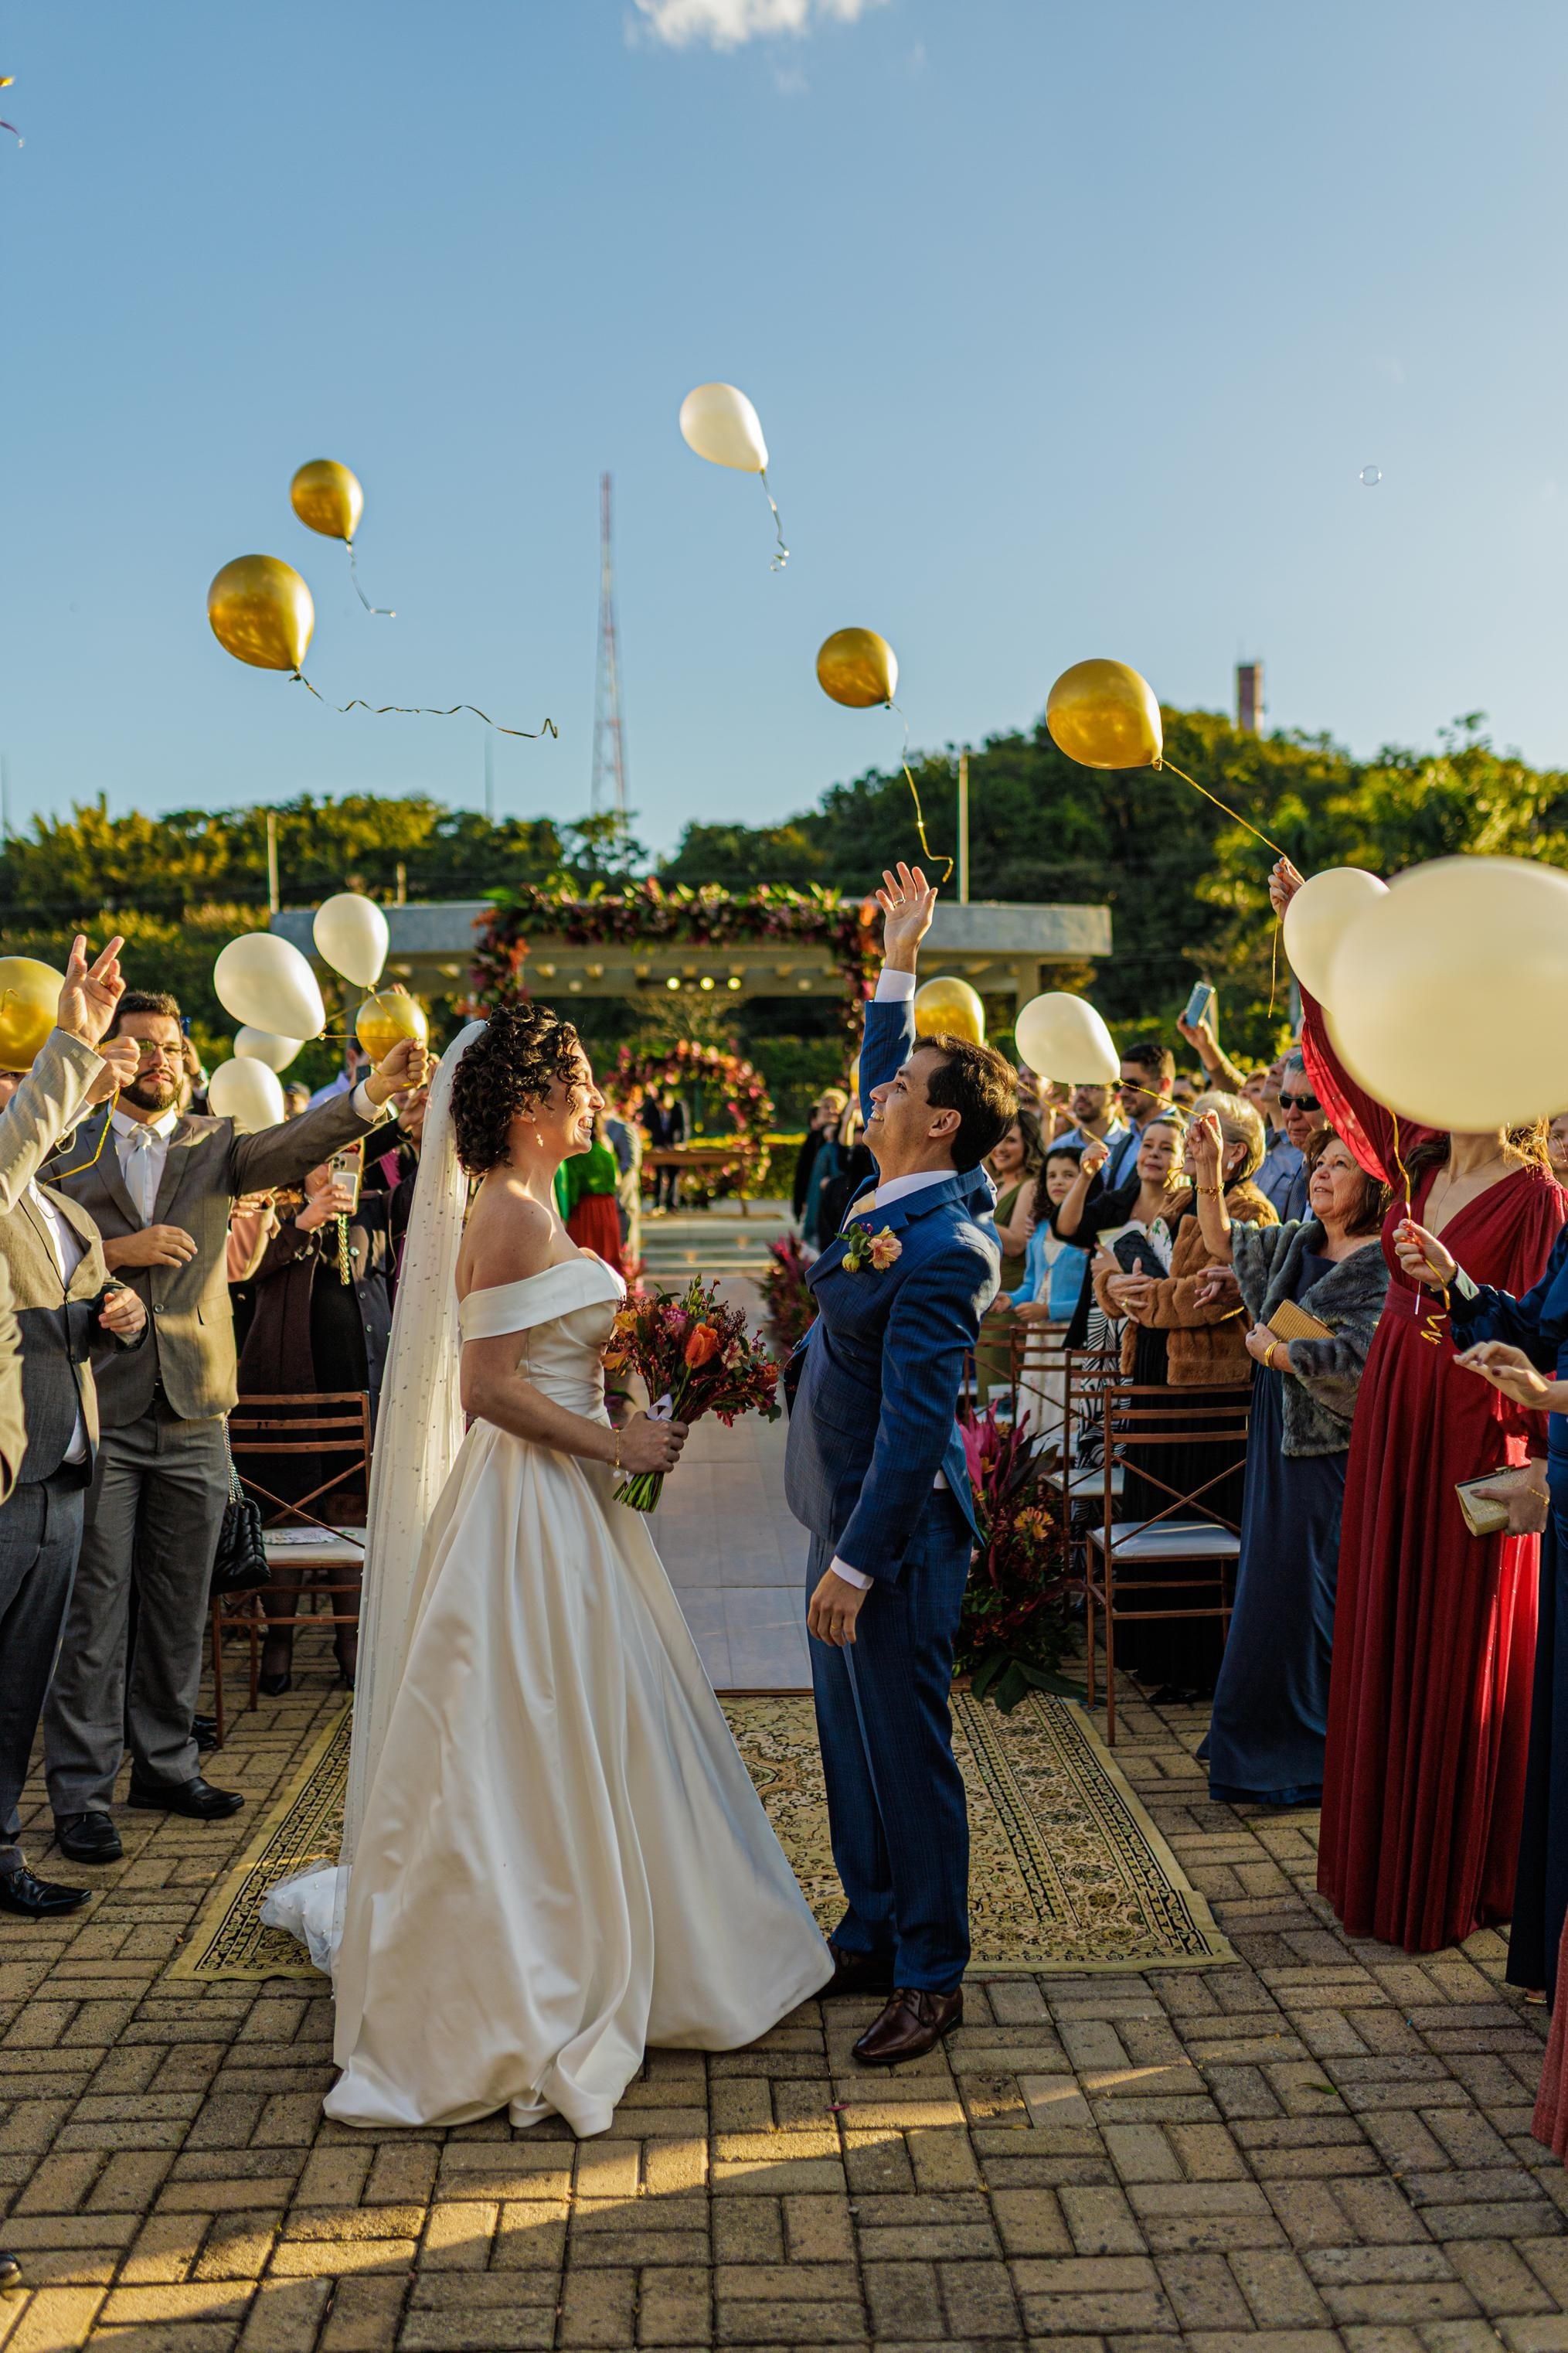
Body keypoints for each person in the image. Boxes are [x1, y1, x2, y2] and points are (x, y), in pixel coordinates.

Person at [261, 1000, 832, 2131]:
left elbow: (546, 1357)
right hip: (529, 1502)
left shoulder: (531, 1202)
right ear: (528, 1103)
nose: (595, 1095)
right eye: (577, 1076)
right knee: (527, 1716)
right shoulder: (512, 1215)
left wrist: (636, 1379)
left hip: (570, 1497)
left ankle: (612, 1924)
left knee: (590, 1712)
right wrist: (618, 1444)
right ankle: (526, 1959)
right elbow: (486, 1390)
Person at [42, 993, 425, 1868]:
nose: (158, 1059)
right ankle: (81, 1794)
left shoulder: (216, 1144)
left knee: (184, 1599)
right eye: (139, 1045)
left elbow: (297, 1142)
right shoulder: (68, 1147)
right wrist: (115, 1254)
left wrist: (370, 1093)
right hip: (100, 1409)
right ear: (108, 1057)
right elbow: (27, 1241)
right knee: (95, 1612)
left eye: (171, 1047)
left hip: (198, 1411)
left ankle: (167, 1765)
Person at [1273, 856, 1566, 1953]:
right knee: (1383, 1619)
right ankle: (1376, 1852)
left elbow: (1533, 1333)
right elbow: (1349, 1078)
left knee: (1454, 1634)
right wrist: (1315, 958)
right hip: (1395, 1409)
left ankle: (1454, 1866)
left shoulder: (1537, 1197)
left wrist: (1463, 1301)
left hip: (1474, 1424)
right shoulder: (1412, 1165)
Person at [786, 863, 1015, 2067]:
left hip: (894, 1537)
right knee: (848, 1743)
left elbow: (917, 1427)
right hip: (838, 1515)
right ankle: (870, 1927)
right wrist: (898, 960)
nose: (877, 1091)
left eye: (901, 1090)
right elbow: (895, 1068)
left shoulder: (946, 1245)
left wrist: (857, 1565)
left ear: (938, 1127)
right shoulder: (900, 1180)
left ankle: (932, 1974)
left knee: (907, 1756)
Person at [1196, 1126, 1390, 1806]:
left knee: (1306, 1596)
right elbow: (1223, 1240)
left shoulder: (1383, 1262)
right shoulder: (1299, 1241)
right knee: (1265, 1589)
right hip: (1273, 1437)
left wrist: (1281, 1354)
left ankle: (1307, 1755)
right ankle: (1251, 1739)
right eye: (1319, 1162)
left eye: (1341, 1165)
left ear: (1374, 1185)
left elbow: (1366, 1365)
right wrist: (1207, 1171)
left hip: (1326, 1450)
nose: (1322, 1174)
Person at [1088, 1093, 1276, 1701]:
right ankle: (1152, 1653)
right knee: (1149, 1505)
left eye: (1200, 1135)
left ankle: (1196, 1666)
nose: (1188, 1145)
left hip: (1204, 1391)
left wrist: (1141, 1298)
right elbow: (1111, 1265)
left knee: (1193, 1513)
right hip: (1150, 1373)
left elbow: (1215, 1297)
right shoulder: (1174, 1199)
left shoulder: (1251, 1209)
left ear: (1235, 1152)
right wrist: (1114, 1285)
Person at [236, 1154, 398, 1694]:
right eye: (322, 1161)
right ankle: (279, 1642)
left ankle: (349, 1641)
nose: (332, 1172)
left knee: (349, 1509)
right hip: (287, 1387)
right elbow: (247, 1270)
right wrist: (305, 1221)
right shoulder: (272, 1208)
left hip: (357, 1385)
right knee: (287, 1510)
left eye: (344, 1159)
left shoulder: (373, 1209)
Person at [1008, 1142, 1090, 1450]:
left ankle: (1069, 1470)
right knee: (1037, 1407)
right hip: (1040, 1338)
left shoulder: (1091, 1230)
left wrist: (1048, 1310)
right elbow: (1032, 1282)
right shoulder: (1041, 1228)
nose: (1058, 1182)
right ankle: (1038, 1476)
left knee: (1067, 1406)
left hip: (1072, 1335)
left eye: (1069, 1175)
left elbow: (1093, 1298)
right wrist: (1010, 1300)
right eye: (1052, 1175)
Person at [976, 1110, 1044, 1400]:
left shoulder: (1030, 1185)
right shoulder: (999, 1185)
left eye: (1012, 1140)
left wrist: (973, 1214)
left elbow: (1016, 1243)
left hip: (1010, 1303)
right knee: (987, 1398)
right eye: (998, 1139)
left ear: (1029, 1144)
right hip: (989, 1303)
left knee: (1002, 1398)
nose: (1001, 1148)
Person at [1253, 1049, 1327, 1221]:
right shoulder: (1305, 1168)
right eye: (1285, 1101)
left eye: (1306, 1102)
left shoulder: (1351, 1175)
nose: (1292, 1115)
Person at [1102, 1040, 1177, 1191]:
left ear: (1163, 1085)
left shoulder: (1187, 1138)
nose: (1123, 1093)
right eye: (1119, 1085)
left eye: (1133, 1085)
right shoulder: (1125, 1140)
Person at [559, 1114, 624, 1274]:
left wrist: (566, 1215)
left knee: (584, 1260)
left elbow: (572, 1189)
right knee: (608, 1258)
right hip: (608, 1210)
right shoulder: (606, 1154)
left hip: (585, 1211)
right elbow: (616, 1180)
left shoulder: (575, 1157)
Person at [793, 1091, 847, 1224]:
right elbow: (803, 1171)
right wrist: (800, 1203)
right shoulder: (814, 1137)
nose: (831, 1111)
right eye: (826, 1107)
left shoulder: (844, 1138)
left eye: (836, 1107)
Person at [1056, 1081, 1126, 1153]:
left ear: (1116, 1098)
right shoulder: (1060, 1147)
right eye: (1078, 1086)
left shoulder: (1130, 1147)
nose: (1082, 1094)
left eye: (1092, 1087)